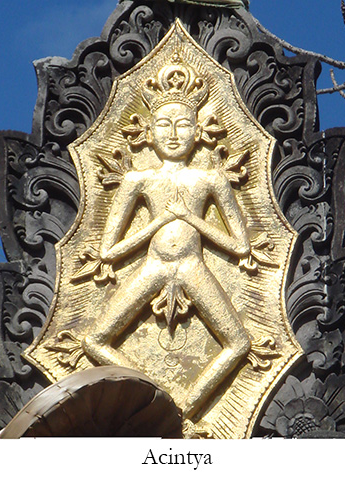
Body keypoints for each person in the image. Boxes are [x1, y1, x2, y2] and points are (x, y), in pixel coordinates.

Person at [82, 59, 252, 419]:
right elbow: (108, 252)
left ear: (199, 130)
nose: (173, 134)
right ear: (148, 131)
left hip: (192, 267)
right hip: (154, 266)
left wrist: (191, 218)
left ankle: (184, 411)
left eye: (183, 124)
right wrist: (157, 222)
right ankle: (153, 399)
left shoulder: (210, 180)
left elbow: (240, 246)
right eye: (163, 124)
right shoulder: (138, 180)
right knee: (94, 341)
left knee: (238, 343)